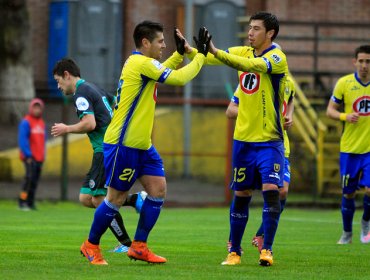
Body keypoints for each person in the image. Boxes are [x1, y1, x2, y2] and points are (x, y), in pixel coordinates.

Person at [79, 20, 211, 265]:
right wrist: (200, 56)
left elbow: (161, 71)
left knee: (158, 190)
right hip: (123, 144)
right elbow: (179, 79)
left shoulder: (142, 63)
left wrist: (179, 54)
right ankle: (90, 245)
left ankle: (139, 246)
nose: (163, 46)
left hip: (142, 145)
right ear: (145, 42)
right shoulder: (140, 62)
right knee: (115, 199)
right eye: (160, 42)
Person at [180, 11, 287, 266]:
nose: (250, 32)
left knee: (273, 190)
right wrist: (190, 50)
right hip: (243, 141)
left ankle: (267, 250)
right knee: (241, 194)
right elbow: (209, 58)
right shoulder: (243, 51)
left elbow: (250, 66)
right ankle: (234, 252)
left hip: (270, 140)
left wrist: (215, 51)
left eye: (256, 29)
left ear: (270, 33)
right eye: (249, 28)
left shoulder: (277, 57)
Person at [51, 58, 146, 253]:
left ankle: (126, 244)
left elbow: (90, 123)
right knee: (86, 197)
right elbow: (115, 102)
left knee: (99, 199)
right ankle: (134, 200)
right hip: (108, 149)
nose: (58, 86)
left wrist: (66, 128)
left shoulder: (81, 93)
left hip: (105, 150)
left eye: (58, 81)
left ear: (67, 75)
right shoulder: (93, 88)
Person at [226, 72, 295, 253]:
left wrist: (289, 117)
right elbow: (230, 110)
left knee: (282, 190)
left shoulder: (287, 84)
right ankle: (234, 240)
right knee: (243, 192)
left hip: (278, 147)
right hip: (250, 144)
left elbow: (291, 100)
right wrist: (252, 113)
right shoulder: (250, 82)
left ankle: (262, 235)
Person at [326, 45, 370, 245]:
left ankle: (366, 223)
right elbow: (330, 111)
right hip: (350, 149)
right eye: (361, 61)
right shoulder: (344, 83)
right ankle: (346, 233)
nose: (364, 65)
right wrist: (345, 116)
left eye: (368, 61)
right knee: (348, 193)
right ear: (355, 62)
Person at [18, 98, 46, 211]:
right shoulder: (26, 122)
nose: (37, 110)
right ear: (31, 108)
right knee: (28, 180)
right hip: (30, 158)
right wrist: (28, 155)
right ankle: (22, 201)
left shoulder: (41, 123)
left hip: (39, 158)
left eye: (39, 108)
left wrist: (43, 156)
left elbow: (42, 142)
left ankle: (30, 202)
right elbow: (22, 140)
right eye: (35, 107)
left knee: (34, 181)